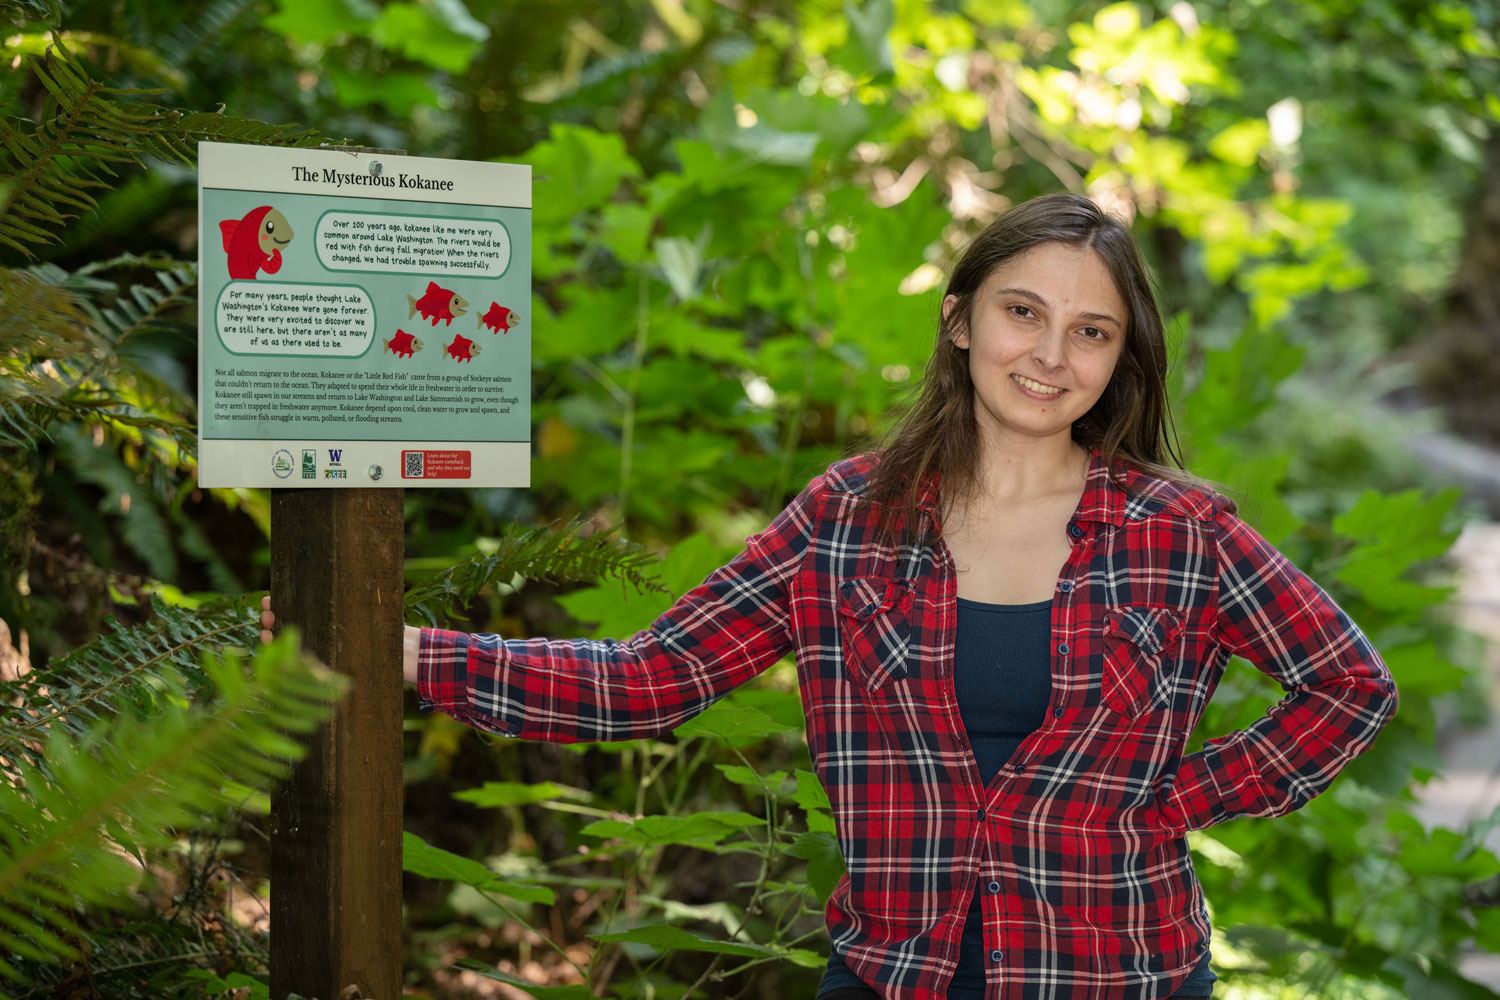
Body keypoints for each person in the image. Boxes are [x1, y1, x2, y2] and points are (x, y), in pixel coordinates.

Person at [261, 193, 1399, 1000]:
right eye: (1023, 312)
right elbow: (653, 680)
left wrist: (1174, 798)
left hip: (1116, 971)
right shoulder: (849, 518)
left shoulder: (1181, 531)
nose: (1052, 354)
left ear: (1121, 358)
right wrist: (403, 649)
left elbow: (1349, 684)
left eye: (1091, 330)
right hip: (891, 970)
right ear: (960, 322)